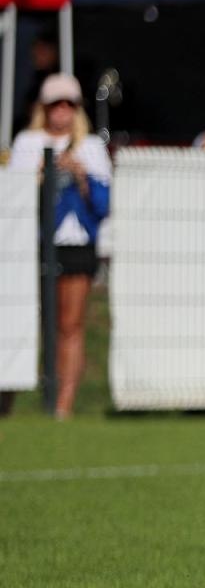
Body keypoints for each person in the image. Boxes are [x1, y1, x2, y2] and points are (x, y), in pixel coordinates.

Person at [5, 74, 112, 420]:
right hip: (36, 243)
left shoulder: (91, 146)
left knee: (71, 323)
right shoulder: (27, 143)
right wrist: (41, 175)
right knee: (38, 321)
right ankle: (34, 391)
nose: (62, 112)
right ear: (45, 108)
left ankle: (63, 404)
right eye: (55, 105)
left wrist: (80, 174)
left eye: (69, 105)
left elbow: (103, 203)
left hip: (76, 241)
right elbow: (15, 199)